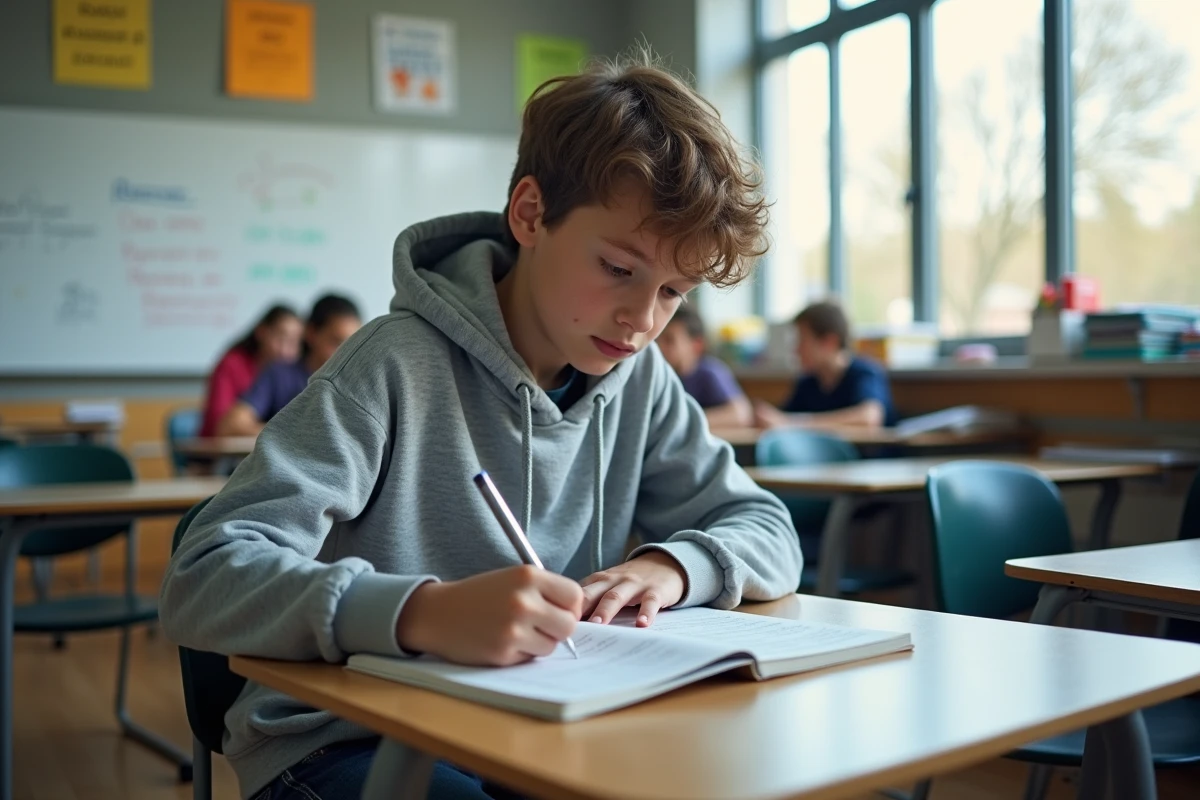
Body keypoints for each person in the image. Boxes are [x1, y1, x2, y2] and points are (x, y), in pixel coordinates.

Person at [161, 51, 801, 800]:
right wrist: (418, 613)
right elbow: (201, 576)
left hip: (530, 726)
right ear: (530, 214)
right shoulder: (390, 365)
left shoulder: (640, 379)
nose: (642, 320)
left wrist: (672, 567)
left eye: (673, 293)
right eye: (620, 269)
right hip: (343, 741)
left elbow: (765, 525)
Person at [216, 294, 362, 436]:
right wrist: (299, 435)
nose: (346, 353)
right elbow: (232, 425)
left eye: (353, 345)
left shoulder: (357, 383)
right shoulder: (279, 374)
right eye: (336, 342)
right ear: (311, 333)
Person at [754, 301, 896, 430]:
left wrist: (795, 423)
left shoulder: (865, 373)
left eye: (803, 340)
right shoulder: (808, 383)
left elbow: (868, 419)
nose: (796, 350)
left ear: (829, 342)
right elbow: (784, 418)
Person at [199, 304, 302, 437]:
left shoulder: (292, 374)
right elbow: (221, 425)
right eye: (280, 338)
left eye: (293, 342)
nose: (284, 350)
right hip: (222, 450)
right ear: (261, 332)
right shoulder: (233, 365)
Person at [657, 305, 752, 427]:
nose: (660, 347)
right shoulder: (662, 374)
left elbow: (741, 414)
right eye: (657, 340)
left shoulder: (710, 372)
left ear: (697, 344)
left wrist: (682, 422)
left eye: (669, 340)